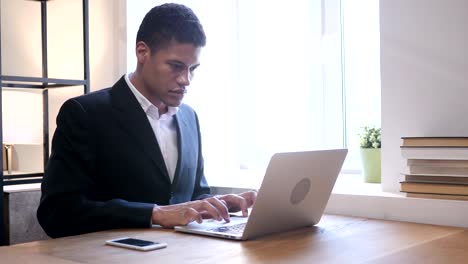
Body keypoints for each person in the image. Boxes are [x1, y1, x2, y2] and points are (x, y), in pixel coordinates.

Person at [37, 3, 256, 238]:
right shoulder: (84, 114)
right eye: (176, 66)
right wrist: (154, 213)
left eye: (193, 69)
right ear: (142, 52)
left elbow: (190, 198)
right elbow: (56, 212)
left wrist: (216, 204)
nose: (186, 80)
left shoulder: (189, 117)